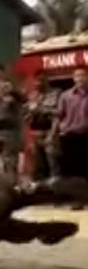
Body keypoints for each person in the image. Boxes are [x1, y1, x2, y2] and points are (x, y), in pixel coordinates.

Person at [51, 66, 88, 210]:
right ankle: (76, 199)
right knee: (71, 170)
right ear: (73, 78)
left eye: (83, 75)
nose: (80, 78)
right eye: (77, 75)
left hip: (86, 135)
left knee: (85, 168)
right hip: (69, 136)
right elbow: (59, 116)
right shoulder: (66, 96)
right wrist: (53, 135)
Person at [24, 72, 61, 181]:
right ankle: (40, 183)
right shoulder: (32, 96)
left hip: (50, 130)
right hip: (35, 132)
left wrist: (41, 109)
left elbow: (59, 113)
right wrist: (29, 112)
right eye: (37, 80)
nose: (39, 83)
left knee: (52, 159)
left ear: (47, 80)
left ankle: (55, 182)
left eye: (42, 80)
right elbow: (25, 114)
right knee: (37, 161)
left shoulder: (56, 93)